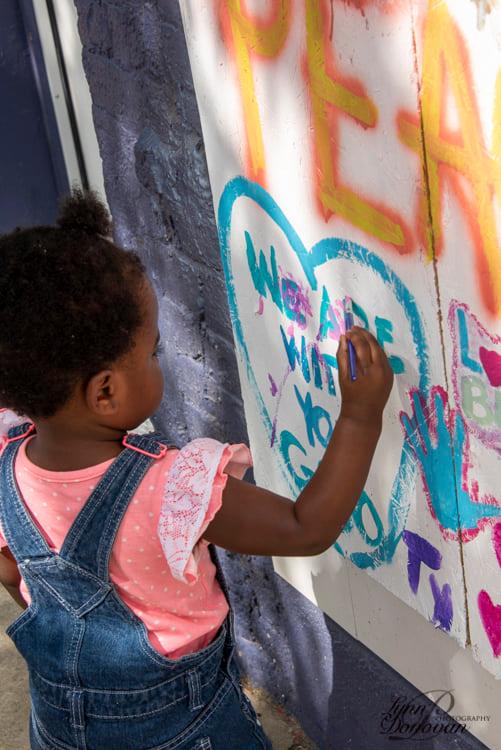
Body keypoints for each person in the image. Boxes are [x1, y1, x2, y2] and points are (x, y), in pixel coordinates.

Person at [0, 189, 393, 750]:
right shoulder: (167, 490)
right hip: (184, 731)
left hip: (60, 727)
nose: (158, 360)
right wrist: (359, 415)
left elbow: (13, 573)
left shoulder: (8, 462)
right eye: (152, 353)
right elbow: (304, 527)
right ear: (105, 392)